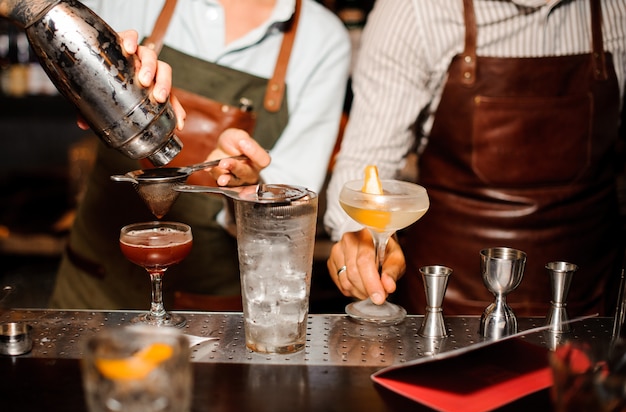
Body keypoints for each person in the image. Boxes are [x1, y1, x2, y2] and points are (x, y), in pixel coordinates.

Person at [324, 0, 626, 318]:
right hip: (447, 308)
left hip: (591, 306)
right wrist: (361, 239)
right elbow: (368, 158)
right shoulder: (415, 10)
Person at [49, 0, 351, 310]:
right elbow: (47, 27)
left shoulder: (321, 39)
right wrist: (92, 77)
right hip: (93, 289)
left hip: (207, 310)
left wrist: (248, 186)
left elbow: (291, 212)